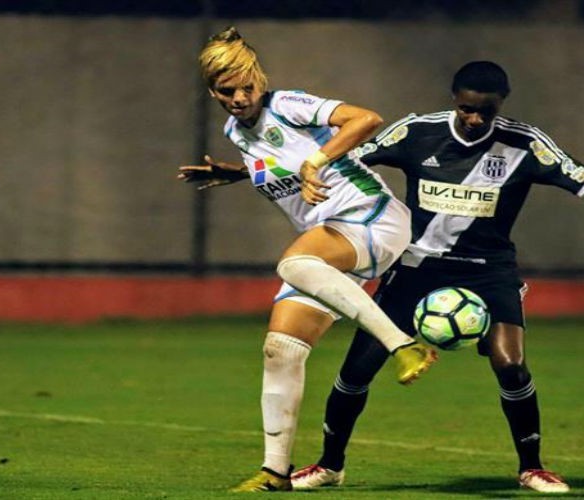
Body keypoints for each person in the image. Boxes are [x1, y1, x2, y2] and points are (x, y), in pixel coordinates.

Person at [288, 61, 584, 494]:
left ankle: (531, 467)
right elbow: (339, 156)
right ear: (454, 99)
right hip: (418, 265)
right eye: (466, 109)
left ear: (501, 104)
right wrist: (244, 171)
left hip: (490, 270)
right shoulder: (417, 132)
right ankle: (330, 464)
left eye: (485, 111)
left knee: (511, 365)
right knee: (359, 366)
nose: (475, 119)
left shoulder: (526, 144)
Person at [177, 27, 438, 492]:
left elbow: (366, 119)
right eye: (226, 91)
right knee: (281, 349)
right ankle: (275, 471)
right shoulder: (236, 130)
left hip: (371, 218)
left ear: (260, 80)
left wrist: (316, 162)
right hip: (333, 241)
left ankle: (401, 344)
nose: (238, 98)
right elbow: (284, 165)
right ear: (212, 91)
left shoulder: (288, 104)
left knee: (293, 264)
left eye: (246, 87)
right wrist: (239, 172)